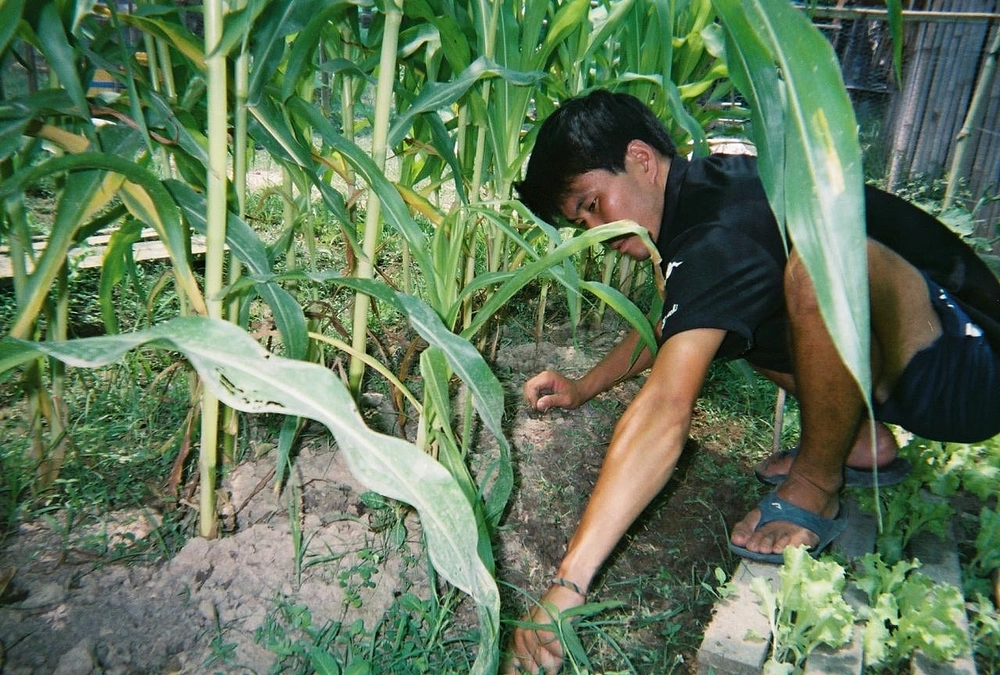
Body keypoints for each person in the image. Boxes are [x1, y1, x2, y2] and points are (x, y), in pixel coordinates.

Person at [502, 89, 1000, 674]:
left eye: (592, 203)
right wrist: (586, 385)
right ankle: (860, 439)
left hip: (972, 365)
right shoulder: (695, 208)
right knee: (709, 309)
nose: (593, 228)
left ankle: (816, 482)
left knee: (820, 262)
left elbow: (667, 403)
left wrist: (568, 582)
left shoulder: (721, 223)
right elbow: (677, 323)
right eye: (579, 220)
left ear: (640, 158)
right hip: (907, 365)